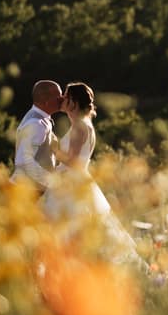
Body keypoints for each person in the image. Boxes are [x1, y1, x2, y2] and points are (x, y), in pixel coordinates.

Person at [44, 82, 148, 272]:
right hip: (76, 180)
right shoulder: (83, 124)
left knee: (68, 227)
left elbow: (72, 160)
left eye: (66, 97)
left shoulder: (81, 126)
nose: (63, 101)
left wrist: (52, 147)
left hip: (72, 183)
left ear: (74, 102)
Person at [11, 80, 63, 193]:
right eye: (58, 97)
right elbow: (24, 161)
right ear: (46, 100)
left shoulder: (41, 119)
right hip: (27, 191)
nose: (62, 100)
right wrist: (51, 182)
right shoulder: (36, 123)